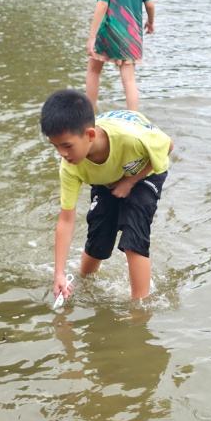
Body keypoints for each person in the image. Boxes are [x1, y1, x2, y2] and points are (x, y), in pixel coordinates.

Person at [43, 90, 173, 302]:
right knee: (99, 235)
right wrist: (59, 272)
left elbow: (168, 145)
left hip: (143, 168)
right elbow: (66, 219)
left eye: (66, 146)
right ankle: (84, 283)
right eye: (55, 146)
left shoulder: (131, 139)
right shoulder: (70, 166)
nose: (62, 154)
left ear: (90, 136)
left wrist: (130, 181)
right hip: (107, 176)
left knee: (134, 230)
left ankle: (139, 307)